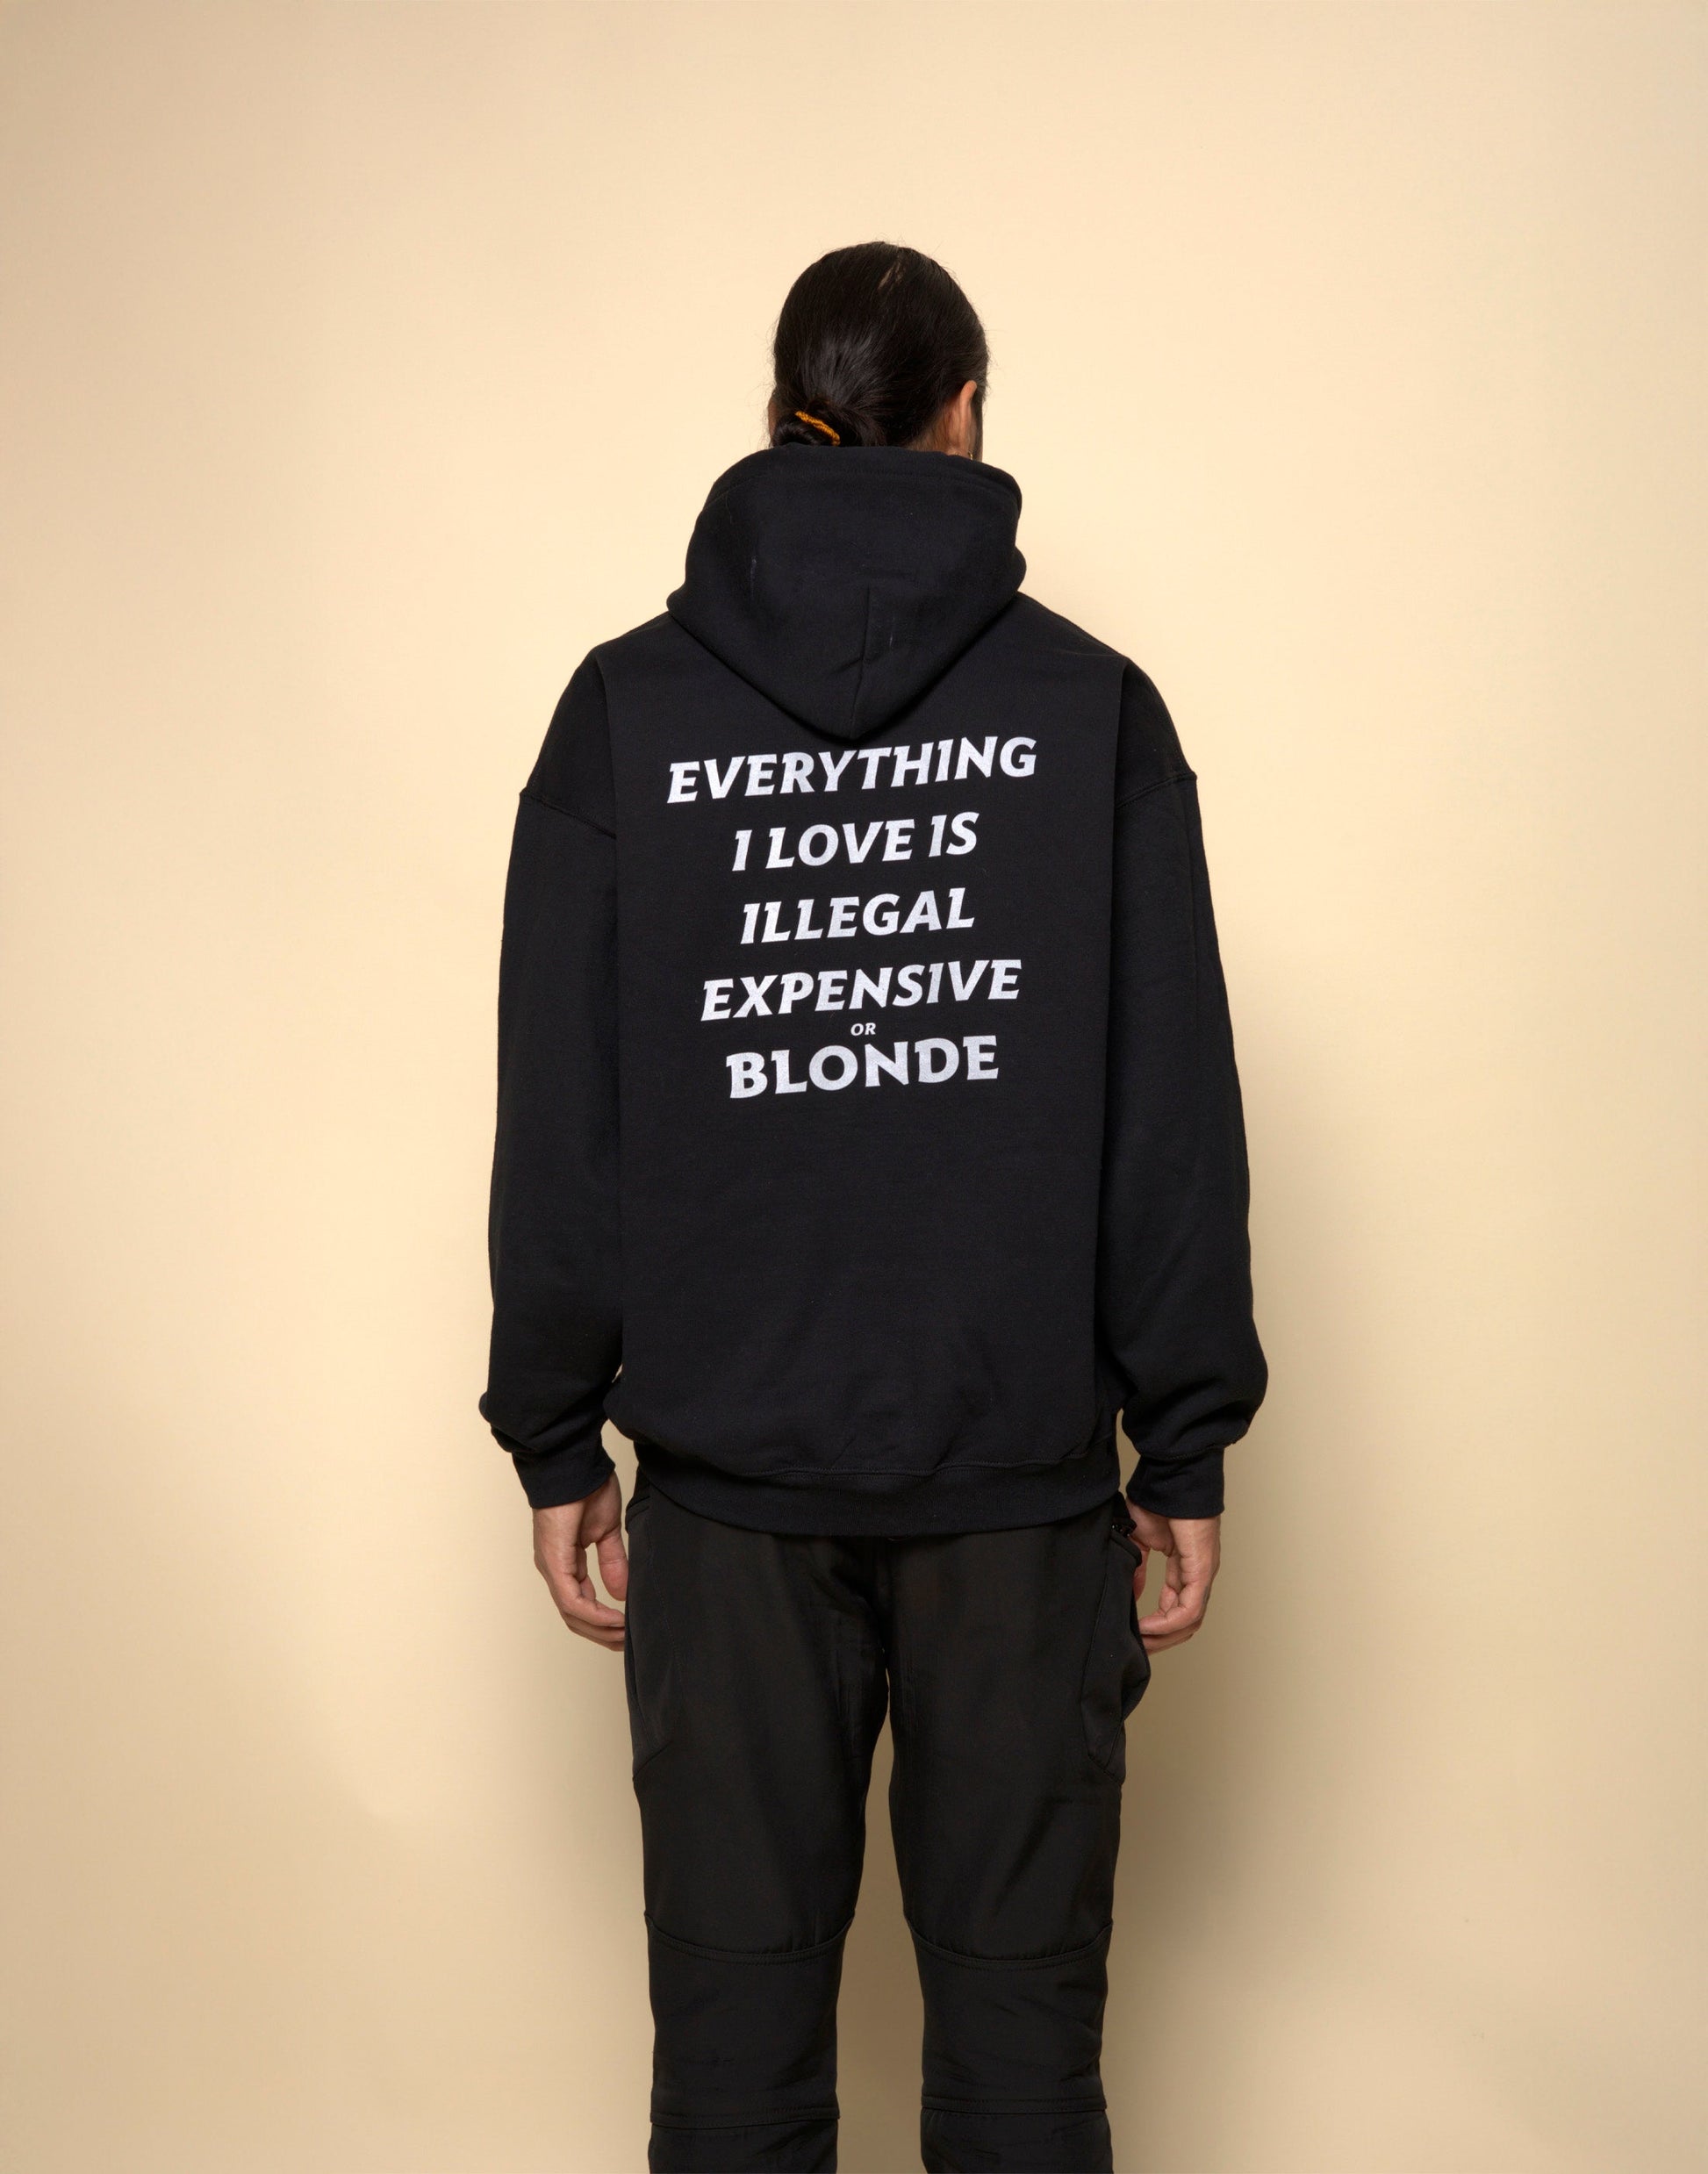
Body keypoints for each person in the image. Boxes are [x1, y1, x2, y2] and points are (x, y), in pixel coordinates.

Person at [478, 241, 1266, 2174]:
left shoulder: (623, 714)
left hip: (727, 1500)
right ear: (965, 414)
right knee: (1020, 2078)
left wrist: (555, 1428)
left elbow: (563, 1105)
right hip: (1019, 1492)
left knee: (734, 2085)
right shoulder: (1090, 711)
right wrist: (1183, 1435)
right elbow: (1167, 1109)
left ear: (781, 416)